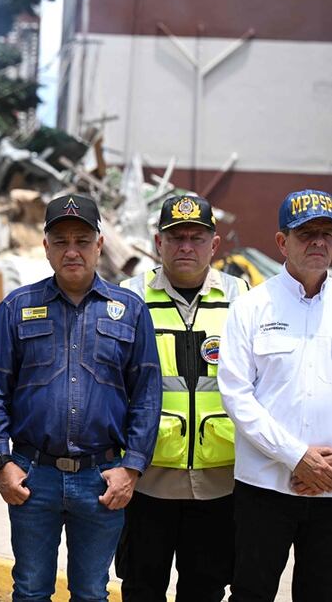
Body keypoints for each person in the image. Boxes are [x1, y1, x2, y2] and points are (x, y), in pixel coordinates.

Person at [0, 193, 161, 601]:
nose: (71, 251)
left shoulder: (130, 310)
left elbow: (147, 397)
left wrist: (131, 468)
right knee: (30, 589)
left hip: (101, 478)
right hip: (32, 476)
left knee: (92, 592)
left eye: (82, 240)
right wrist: (2, 461)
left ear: (100, 245)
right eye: (60, 241)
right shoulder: (17, 308)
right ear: (46, 247)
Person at [115, 195, 248, 602]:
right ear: (158, 242)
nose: (186, 246)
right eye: (176, 238)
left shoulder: (242, 298)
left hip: (219, 481)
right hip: (147, 480)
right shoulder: (129, 297)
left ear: (214, 244)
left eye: (196, 237)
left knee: (205, 589)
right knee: (141, 588)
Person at [218, 189, 332, 601]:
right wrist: (297, 456)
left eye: (326, 233)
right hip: (264, 487)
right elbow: (236, 396)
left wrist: (324, 468)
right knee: (252, 591)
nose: (318, 242)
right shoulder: (251, 307)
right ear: (283, 242)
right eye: (306, 234)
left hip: (330, 487)